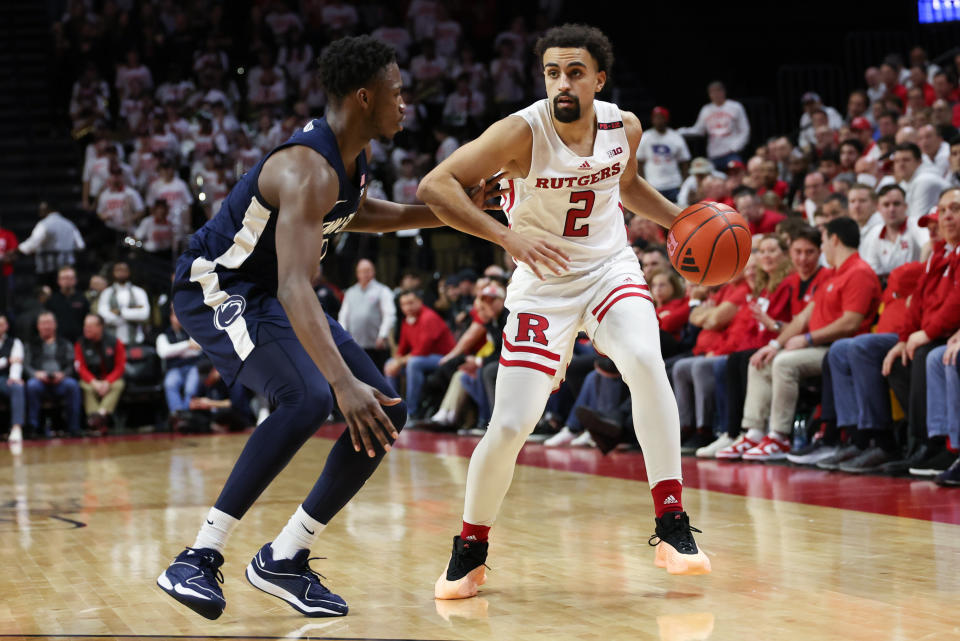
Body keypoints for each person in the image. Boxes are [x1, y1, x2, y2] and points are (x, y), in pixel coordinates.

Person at [157, 36, 493, 620]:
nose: (406, 103)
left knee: (384, 410)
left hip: (274, 292)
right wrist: (342, 384)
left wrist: (452, 213)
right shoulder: (307, 167)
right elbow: (293, 285)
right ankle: (197, 556)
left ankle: (285, 557)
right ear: (365, 97)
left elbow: (355, 213)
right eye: (396, 92)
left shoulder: (349, 156)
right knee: (306, 398)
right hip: (222, 286)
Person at [417, 24, 712, 601]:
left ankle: (672, 524)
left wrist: (682, 219)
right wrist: (507, 238)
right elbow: (437, 184)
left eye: (574, 72)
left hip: (608, 269)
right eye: (552, 72)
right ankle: (470, 550)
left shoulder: (623, 126)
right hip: (541, 285)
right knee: (508, 426)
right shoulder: (520, 133)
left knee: (648, 364)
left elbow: (625, 186)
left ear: (599, 79)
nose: (562, 82)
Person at [720, 218, 881, 461]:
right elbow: (803, 318)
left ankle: (779, 436)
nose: (823, 247)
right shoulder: (835, 274)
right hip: (820, 346)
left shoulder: (858, 272)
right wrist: (774, 345)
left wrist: (807, 339)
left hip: (839, 349)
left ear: (834, 240)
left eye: (823, 241)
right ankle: (753, 432)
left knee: (784, 363)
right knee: (762, 360)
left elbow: (851, 322)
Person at [383, 289, 455, 420]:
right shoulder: (407, 320)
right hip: (423, 358)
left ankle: (411, 412)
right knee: (389, 363)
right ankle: (393, 410)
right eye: (403, 304)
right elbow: (402, 349)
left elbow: (422, 350)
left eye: (411, 303)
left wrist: (399, 362)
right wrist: (396, 361)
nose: (407, 307)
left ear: (420, 302)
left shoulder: (429, 317)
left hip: (444, 358)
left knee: (413, 363)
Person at [24, 312, 82, 437]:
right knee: (31, 386)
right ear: (38, 326)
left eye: (49, 323)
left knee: (73, 385)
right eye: (43, 323)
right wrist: (36, 374)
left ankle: (74, 428)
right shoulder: (31, 344)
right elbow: (26, 365)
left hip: (61, 381)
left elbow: (72, 365)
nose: (46, 326)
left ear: (55, 325)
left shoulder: (65, 344)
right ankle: (32, 428)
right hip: (39, 381)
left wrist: (62, 374)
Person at [338, 258, 396, 372]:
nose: (365, 274)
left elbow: (389, 314)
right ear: (357, 274)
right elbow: (343, 316)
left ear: (373, 272)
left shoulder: (382, 290)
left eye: (368, 270)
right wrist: (343, 334)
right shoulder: (350, 292)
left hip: (376, 345)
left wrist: (383, 334)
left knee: (377, 376)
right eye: (362, 271)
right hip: (355, 343)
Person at [678, 80, 750, 170]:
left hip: (731, 153)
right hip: (714, 155)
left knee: (736, 176)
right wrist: (681, 131)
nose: (716, 94)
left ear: (723, 92)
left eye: (718, 91)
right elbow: (699, 130)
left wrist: (737, 146)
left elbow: (745, 130)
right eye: (712, 92)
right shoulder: (706, 110)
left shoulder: (735, 107)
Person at [74, 313, 126, 434]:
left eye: (90, 326)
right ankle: (99, 420)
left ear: (100, 327)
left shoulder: (115, 342)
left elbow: (120, 366)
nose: (86, 329)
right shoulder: (80, 344)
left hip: (110, 380)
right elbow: (80, 368)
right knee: (86, 387)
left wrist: (107, 382)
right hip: (91, 380)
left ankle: (98, 417)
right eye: (85, 326)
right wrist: (94, 382)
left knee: (118, 385)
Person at [17, 201, 86, 286]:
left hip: (48, 267)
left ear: (48, 209)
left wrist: (18, 250)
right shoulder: (69, 224)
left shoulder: (44, 224)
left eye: (42, 209)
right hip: (67, 266)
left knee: (49, 293)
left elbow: (33, 243)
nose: (39, 212)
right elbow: (80, 245)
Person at [157, 309, 203, 428]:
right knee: (170, 383)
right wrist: (187, 345)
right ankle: (178, 414)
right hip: (174, 368)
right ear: (171, 318)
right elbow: (164, 352)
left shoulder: (191, 332)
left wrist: (175, 351)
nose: (178, 319)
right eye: (176, 316)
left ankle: (187, 416)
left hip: (191, 366)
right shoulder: (163, 335)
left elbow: (197, 351)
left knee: (191, 387)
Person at [636, 106, 690, 203]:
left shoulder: (675, 136)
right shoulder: (646, 136)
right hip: (653, 185)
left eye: (661, 117)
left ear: (666, 119)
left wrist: (684, 183)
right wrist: (643, 184)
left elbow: (684, 161)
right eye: (656, 117)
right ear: (652, 120)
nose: (659, 120)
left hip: (674, 184)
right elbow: (639, 162)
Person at [98, 261, 150, 345]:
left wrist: (120, 312)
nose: (121, 272)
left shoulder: (139, 292)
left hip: (135, 340)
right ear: (113, 273)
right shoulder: (106, 293)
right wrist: (132, 312)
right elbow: (103, 316)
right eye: (118, 270)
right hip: (112, 342)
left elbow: (144, 314)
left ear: (129, 272)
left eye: (124, 270)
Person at [44, 265, 89, 344]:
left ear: (75, 280)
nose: (67, 281)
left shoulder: (82, 299)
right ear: (58, 281)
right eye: (64, 278)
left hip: (80, 341)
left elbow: (87, 320)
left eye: (70, 278)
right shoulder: (52, 300)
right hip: (58, 342)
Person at [0, 315, 25, 447]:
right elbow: (11, 360)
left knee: (17, 387)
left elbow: (17, 362)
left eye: (1, 324)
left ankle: (16, 428)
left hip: (5, 379)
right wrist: (6, 361)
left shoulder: (15, 342)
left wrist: (14, 377)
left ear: (6, 326)